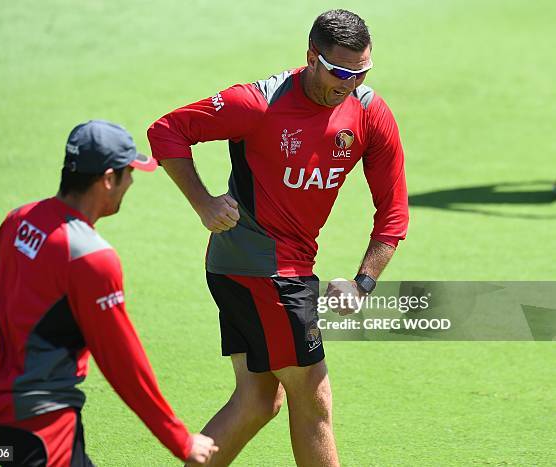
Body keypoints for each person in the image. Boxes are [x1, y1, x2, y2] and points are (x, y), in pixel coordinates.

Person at [147, 9, 409, 466]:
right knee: (314, 394)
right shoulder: (258, 103)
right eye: (340, 72)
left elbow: (393, 211)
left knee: (258, 400)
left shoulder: (368, 113)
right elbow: (167, 130)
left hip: (280, 267)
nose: (349, 83)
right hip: (259, 266)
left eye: (362, 71)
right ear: (312, 57)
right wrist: (203, 202)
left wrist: (364, 280)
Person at [0, 120, 218, 466]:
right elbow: (122, 360)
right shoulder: (90, 257)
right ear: (108, 179)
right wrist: (179, 439)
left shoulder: (20, 220)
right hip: (43, 432)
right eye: (128, 172)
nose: (132, 181)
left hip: (0, 420)